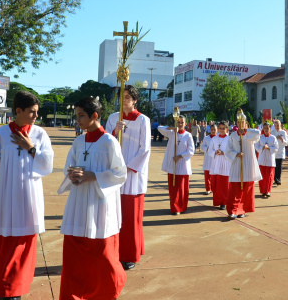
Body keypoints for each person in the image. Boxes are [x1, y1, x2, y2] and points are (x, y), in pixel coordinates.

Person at [0, 90, 54, 299]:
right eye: (32, 112)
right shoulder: (1, 134)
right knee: (5, 239)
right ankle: (4, 284)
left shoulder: (39, 134)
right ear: (18, 111)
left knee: (25, 241)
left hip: (29, 194)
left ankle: (15, 288)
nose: (36, 116)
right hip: (6, 194)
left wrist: (31, 147)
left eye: (37, 112)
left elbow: (47, 165)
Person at [58, 97, 127, 300]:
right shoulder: (79, 141)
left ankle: (105, 292)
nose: (77, 119)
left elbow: (120, 173)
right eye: (76, 115)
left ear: (94, 116)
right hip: (79, 201)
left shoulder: (109, 142)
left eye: (81, 115)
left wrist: (93, 176)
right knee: (75, 254)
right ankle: (74, 294)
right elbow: (68, 165)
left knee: (102, 254)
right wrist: (71, 174)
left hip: (99, 203)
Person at [105, 85, 151, 271]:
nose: (124, 100)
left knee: (131, 217)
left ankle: (130, 254)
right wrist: (114, 132)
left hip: (132, 175)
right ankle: (114, 252)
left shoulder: (143, 120)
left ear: (135, 100)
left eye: (128, 97)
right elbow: (104, 141)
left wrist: (129, 167)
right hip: (115, 173)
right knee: (114, 216)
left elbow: (145, 148)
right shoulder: (113, 118)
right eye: (122, 97)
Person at [225, 119, 261, 219]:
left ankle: (243, 210)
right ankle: (233, 210)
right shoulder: (233, 135)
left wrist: (246, 130)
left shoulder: (250, 135)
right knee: (235, 188)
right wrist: (236, 154)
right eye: (239, 122)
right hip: (237, 163)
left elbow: (258, 133)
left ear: (246, 123)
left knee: (246, 188)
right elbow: (227, 150)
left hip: (248, 163)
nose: (240, 124)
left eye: (243, 122)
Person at [158, 115, 194, 215]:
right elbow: (159, 128)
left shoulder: (188, 135)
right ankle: (175, 208)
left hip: (182, 164)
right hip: (172, 164)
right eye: (178, 122)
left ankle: (182, 206)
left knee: (182, 188)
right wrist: (171, 128)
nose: (180, 124)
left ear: (185, 124)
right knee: (173, 187)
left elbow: (191, 150)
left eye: (182, 122)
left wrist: (180, 156)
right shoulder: (171, 133)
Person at [207, 121, 231, 209]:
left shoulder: (229, 139)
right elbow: (209, 150)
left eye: (223, 128)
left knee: (224, 184)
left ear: (227, 129)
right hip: (216, 162)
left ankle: (224, 202)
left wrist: (224, 153)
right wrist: (215, 152)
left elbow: (231, 151)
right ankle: (218, 200)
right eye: (220, 128)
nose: (221, 130)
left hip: (225, 163)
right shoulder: (214, 139)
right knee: (216, 184)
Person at [255, 122, 278, 198]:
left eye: (267, 128)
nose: (266, 130)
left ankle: (268, 191)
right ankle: (263, 191)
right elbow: (256, 146)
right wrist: (262, 148)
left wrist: (269, 148)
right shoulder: (260, 137)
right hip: (262, 159)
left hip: (270, 160)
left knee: (269, 176)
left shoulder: (273, 138)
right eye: (264, 128)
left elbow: (276, 148)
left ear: (270, 129)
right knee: (262, 176)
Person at [271, 120, 288, 186]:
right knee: (274, 166)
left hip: (281, 152)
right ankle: (275, 179)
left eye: (278, 125)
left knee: (279, 166)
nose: (277, 127)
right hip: (274, 153)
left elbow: (287, 143)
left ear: (280, 125)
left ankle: (278, 179)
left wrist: (282, 139)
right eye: (275, 125)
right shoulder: (272, 132)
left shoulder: (283, 132)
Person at [200, 126, 216, 195]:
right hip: (208, 158)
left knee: (214, 175)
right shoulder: (206, 138)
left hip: (215, 158)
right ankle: (208, 189)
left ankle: (214, 188)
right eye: (212, 129)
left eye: (214, 129)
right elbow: (202, 147)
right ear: (210, 130)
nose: (213, 131)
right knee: (207, 175)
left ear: (217, 130)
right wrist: (207, 149)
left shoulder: (218, 138)